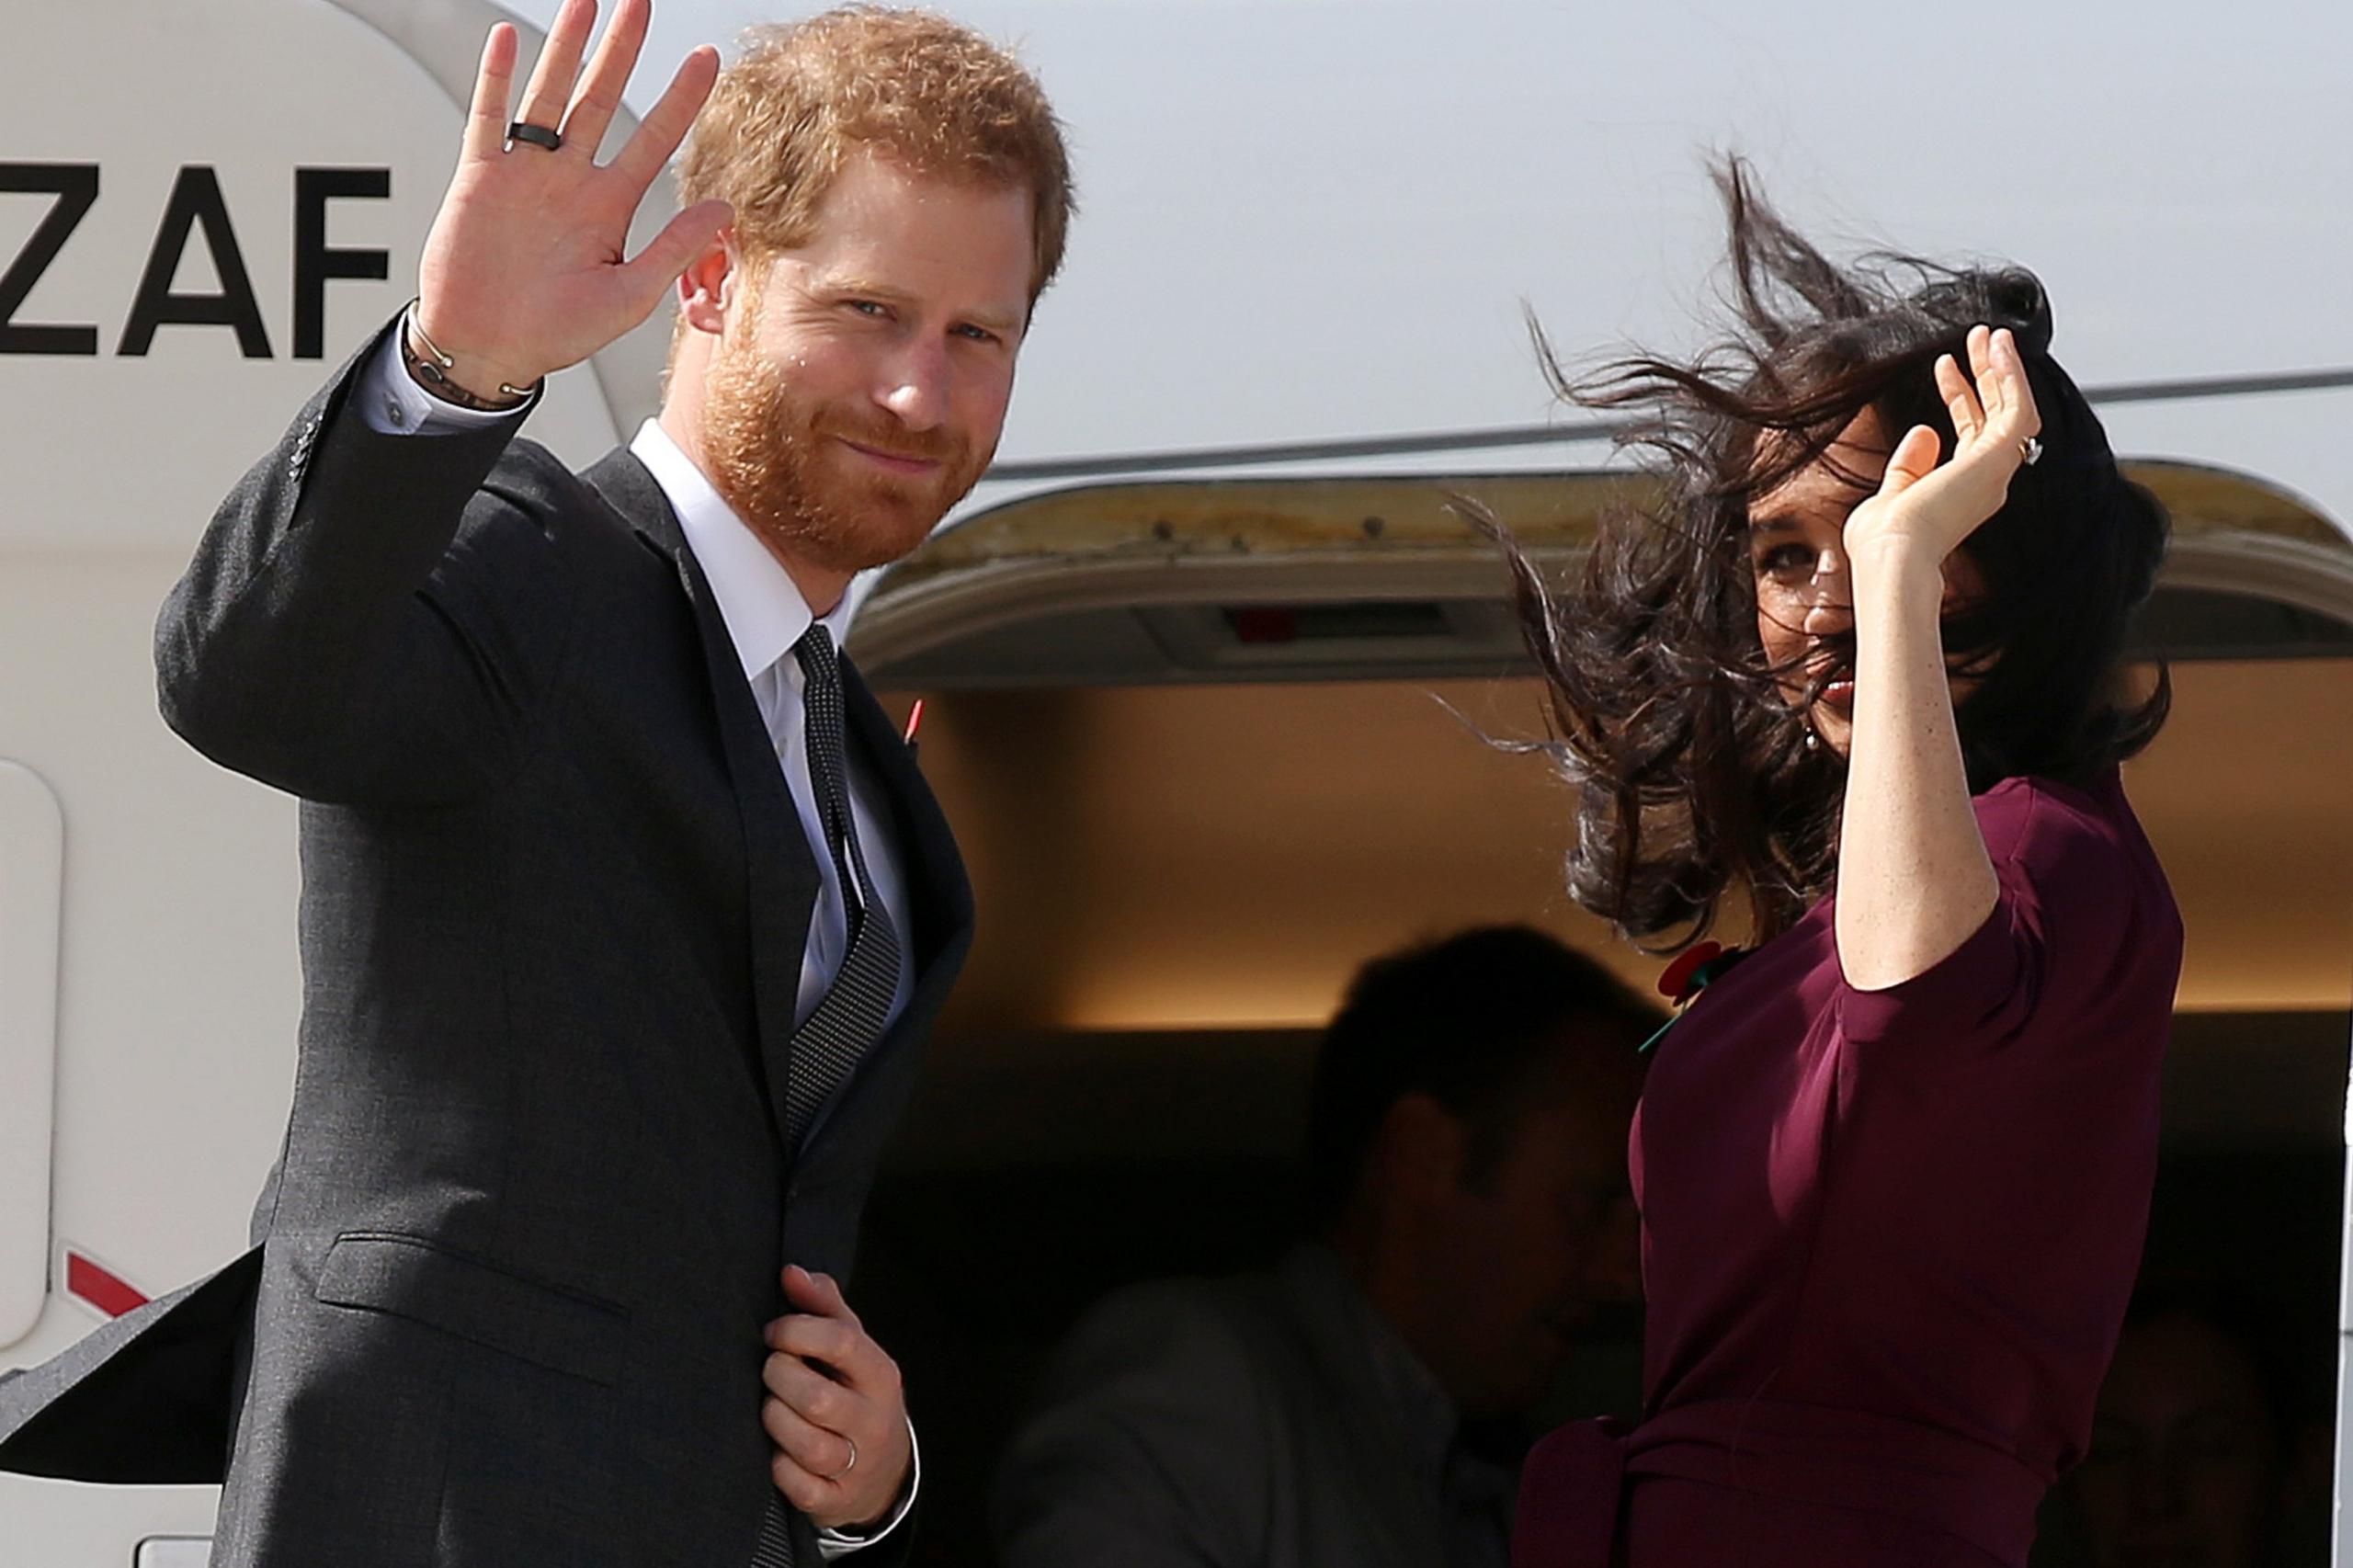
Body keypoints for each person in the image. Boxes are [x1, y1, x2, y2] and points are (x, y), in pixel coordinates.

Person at [0, 6, 1072, 1566]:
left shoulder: (860, 765)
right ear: (705, 280)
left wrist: (871, 1472)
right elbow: (242, 675)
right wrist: (457, 367)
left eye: (979, 334)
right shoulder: (528, 561)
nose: (922, 392)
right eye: (868, 310)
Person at [1493, 165, 2183, 1568]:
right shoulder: (1843, 905)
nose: (1828, 605)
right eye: (1784, 554)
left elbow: (1916, 994)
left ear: (2013, 547)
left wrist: (1903, 557)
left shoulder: (2058, 847)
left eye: (1887, 533)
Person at [992, 926, 1657, 1568]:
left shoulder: (1511, 1476)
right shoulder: (1196, 1379)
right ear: (1422, 1155)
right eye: (1591, 1204)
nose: (1623, 1274)